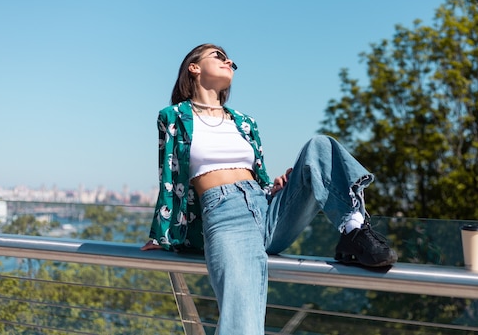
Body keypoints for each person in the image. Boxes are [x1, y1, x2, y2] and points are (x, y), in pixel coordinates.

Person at [142, 43, 398, 335]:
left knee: (320, 147)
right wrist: (160, 234)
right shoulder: (174, 116)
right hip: (225, 217)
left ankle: (353, 229)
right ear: (194, 67)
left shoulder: (245, 122)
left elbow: (259, 175)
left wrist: (272, 189)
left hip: (265, 211)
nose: (230, 62)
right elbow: (169, 175)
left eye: (231, 61)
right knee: (242, 319)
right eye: (220, 57)